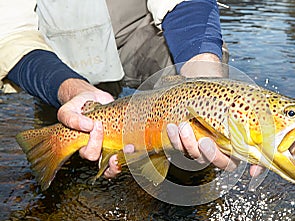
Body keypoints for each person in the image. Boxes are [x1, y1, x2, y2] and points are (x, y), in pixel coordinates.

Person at [0, 0, 263, 180]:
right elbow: (11, 35)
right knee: (75, 134)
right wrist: (68, 88)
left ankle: (180, 173)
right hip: (57, 52)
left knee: (203, 81)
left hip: (142, 29)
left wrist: (206, 80)